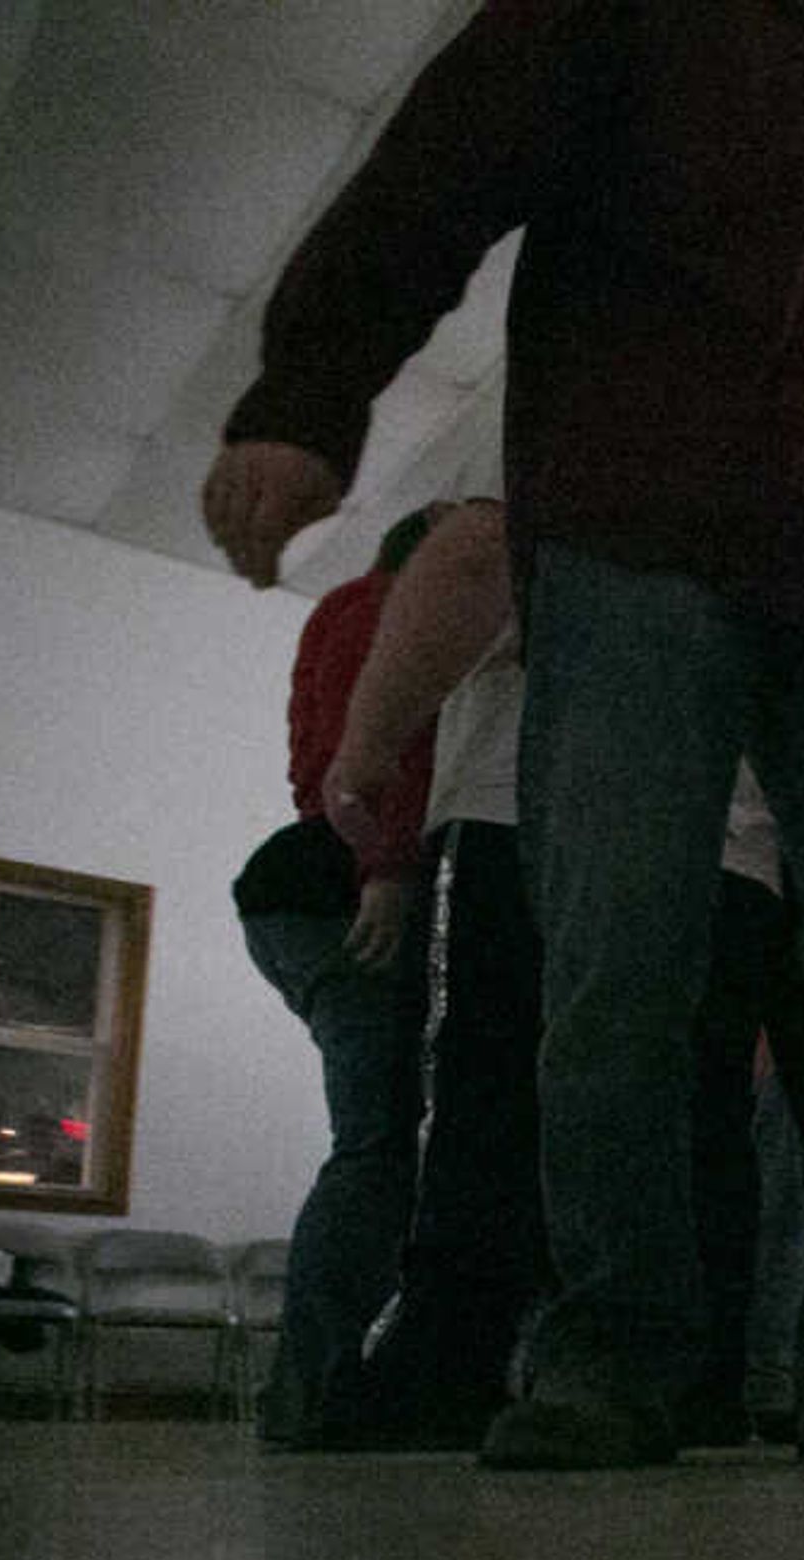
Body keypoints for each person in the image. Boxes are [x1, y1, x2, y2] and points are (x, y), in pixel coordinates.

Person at [206, 0, 804, 1471]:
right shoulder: (633, 19)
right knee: (616, 960)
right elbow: (437, 170)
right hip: (640, 552)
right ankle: (615, 1347)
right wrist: (310, 391)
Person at [316, 483, 542, 1449]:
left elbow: (358, 759)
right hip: (601, 839)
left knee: (465, 1102)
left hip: (499, 823)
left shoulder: (482, 551)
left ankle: (440, 1360)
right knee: (495, 1104)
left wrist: (374, 826)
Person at [236, 506, 441, 1447]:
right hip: (339, 891)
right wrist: (389, 871)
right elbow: (375, 761)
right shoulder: (386, 607)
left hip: (317, 888)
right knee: (383, 1144)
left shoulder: (355, 609)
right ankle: (317, 1393)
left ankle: (322, 1388)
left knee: (387, 1142)